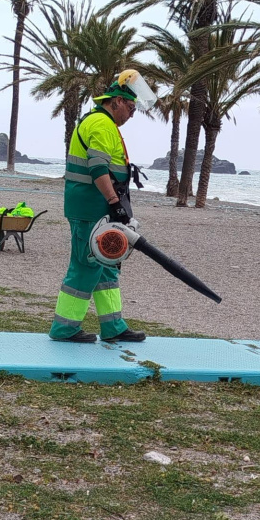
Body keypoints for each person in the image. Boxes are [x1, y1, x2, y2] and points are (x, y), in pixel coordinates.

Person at [49, 69, 156, 344]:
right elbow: (98, 168)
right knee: (86, 265)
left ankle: (113, 327)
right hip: (91, 209)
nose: (132, 115)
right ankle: (65, 329)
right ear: (116, 101)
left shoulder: (104, 124)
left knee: (107, 265)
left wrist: (114, 207)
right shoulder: (101, 124)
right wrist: (114, 203)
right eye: (131, 108)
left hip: (98, 210)